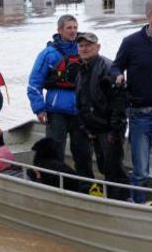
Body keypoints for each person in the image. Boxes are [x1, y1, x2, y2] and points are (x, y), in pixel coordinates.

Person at [111, 0, 152, 203]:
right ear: (149, 15)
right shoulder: (131, 42)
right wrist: (118, 76)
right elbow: (115, 66)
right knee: (140, 171)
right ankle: (137, 206)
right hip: (140, 115)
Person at [27, 15, 93, 178]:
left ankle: (86, 186)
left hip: (80, 112)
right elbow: (34, 83)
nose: (73, 31)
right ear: (60, 30)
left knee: (83, 153)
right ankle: (54, 183)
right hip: (56, 112)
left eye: (75, 28)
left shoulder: (85, 50)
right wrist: (39, 108)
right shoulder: (49, 54)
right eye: (69, 28)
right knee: (55, 153)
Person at [75, 32, 130, 200]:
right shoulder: (82, 69)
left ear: (98, 47)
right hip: (94, 129)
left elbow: (119, 101)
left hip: (109, 129)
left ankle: (121, 202)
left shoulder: (107, 67)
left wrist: (115, 130)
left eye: (89, 45)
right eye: (81, 45)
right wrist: (86, 127)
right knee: (104, 167)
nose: (84, 49)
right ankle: (111, 200)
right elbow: (82, 100)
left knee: (114, 168)